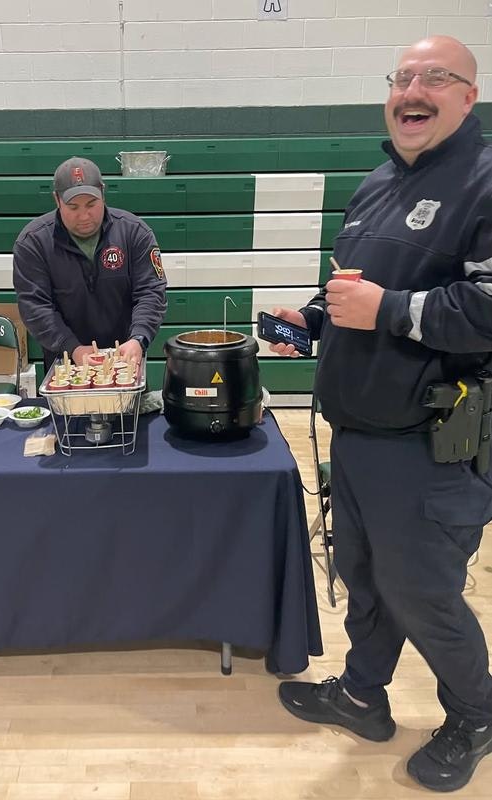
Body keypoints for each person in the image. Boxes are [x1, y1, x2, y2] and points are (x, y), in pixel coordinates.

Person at [272, 36, 492, 793]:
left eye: (436, 77)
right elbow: (356, 293)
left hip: (430, 444)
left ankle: (473, 714)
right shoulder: (375, 185)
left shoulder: (484, 180)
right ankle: (364, 695)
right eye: (402, 78)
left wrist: (386, 309)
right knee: (364, 576)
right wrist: (313, 319)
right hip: (360, 434)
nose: (413, 90)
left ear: (468, 96)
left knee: (421, 590)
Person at [12, 157, 166, 370]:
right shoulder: (33, 242)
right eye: (73, 207)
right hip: (65, 363)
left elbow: (150, 292)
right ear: (56, 199)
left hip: (126, 361)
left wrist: (139, 338)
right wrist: (72, 348)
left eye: (92, 204)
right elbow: (35, 306)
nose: (84, 216)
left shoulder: (135, 233)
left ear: (103, 192)